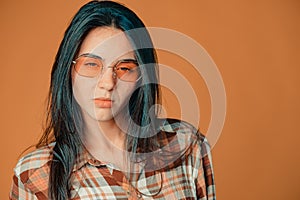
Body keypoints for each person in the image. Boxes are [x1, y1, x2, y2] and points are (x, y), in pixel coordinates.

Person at [10, 1, 216, 199]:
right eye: (91, 64)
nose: (108, 83)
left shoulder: (187, 145)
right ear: (68, 70)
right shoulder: (35, 174)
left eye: (124, 68)